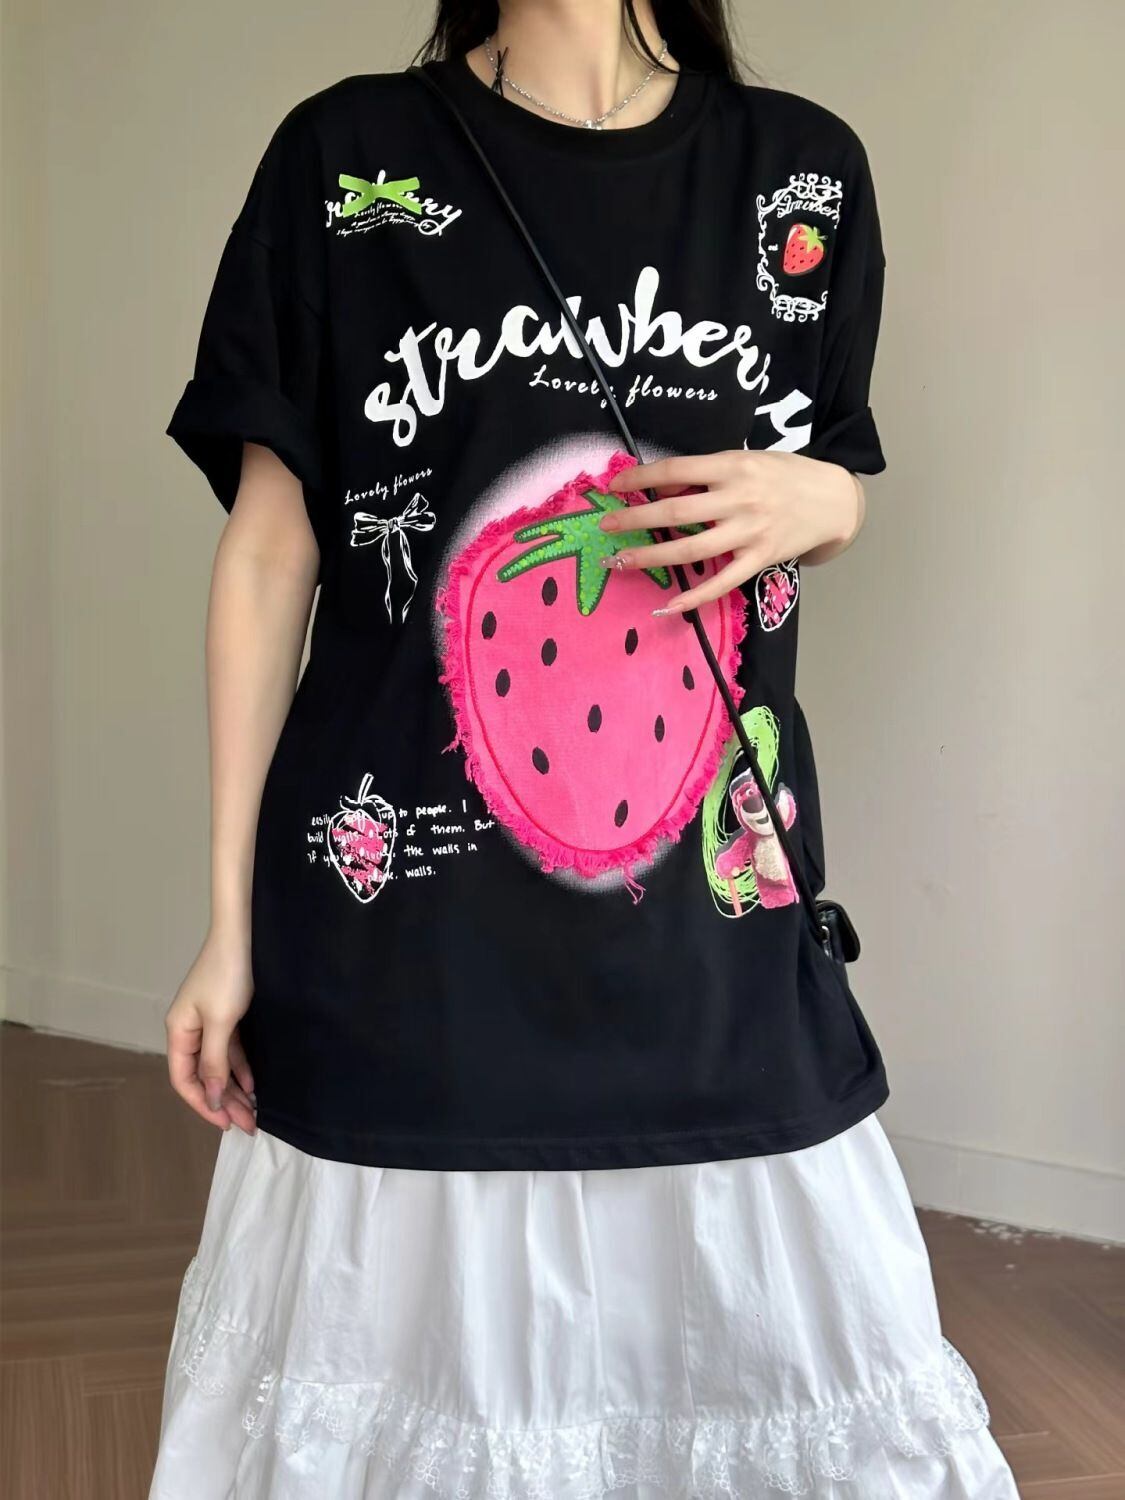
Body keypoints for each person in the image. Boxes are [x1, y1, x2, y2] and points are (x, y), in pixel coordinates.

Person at [148, 3, 1022, 1496]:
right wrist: (227, 925)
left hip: (707, 937)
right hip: (403, 948)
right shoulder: (345, 157)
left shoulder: (797, 173)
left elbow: (823, 464)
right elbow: (269, 555)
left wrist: (836, 504)